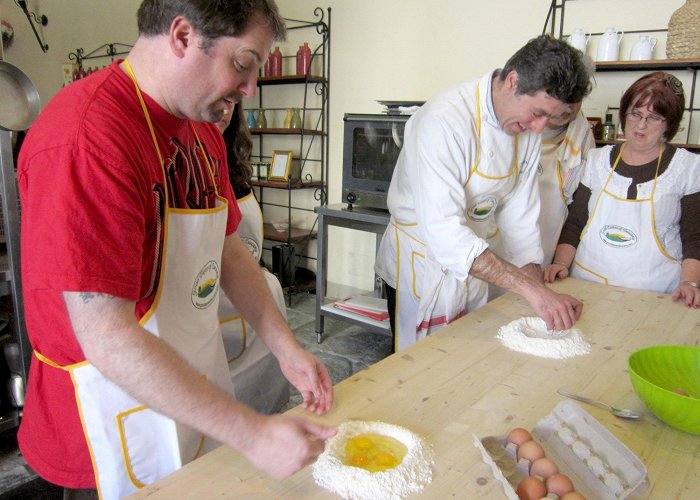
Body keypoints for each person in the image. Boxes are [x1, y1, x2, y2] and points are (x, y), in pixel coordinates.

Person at [17, 1, 335, 499]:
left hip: (188, 396)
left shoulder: (202, 130)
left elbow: (228, 253)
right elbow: (106, 337)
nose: (251, 88)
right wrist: (251, 433)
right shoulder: (87, 139)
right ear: (183, 37)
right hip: (105, 428)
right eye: (244, 63)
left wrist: (284, 346)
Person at [374, 35, 591, 352]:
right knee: (420, 365)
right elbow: (444, 232)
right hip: (422, 258)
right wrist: (530, 291)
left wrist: (538, 289)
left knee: (466, 358)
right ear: (513, 82)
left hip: (475, 259)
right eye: (538, 113)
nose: (539, 128)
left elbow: (521, 215)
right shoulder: (443, 121)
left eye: (551, 118)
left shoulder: (526, 127)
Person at [544, 72, 700, 307]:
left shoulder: (688, 167)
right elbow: (576, 222)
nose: (641, 124)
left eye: (654, 117)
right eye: (635, 113)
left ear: (670, 124)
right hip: (587, 286)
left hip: (655, 294)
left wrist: (690, 284)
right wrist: (560, 264)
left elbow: (694, 238)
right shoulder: (597, 160)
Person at [215, 103, 290, 414]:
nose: (224, 109)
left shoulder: (233, 164)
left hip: (256, 297)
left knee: (263, 398)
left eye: (231, 101)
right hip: (215, 308)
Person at [538, 101, 596, 264]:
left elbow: (579, 213)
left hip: (548, 244)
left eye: (575, 98)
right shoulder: (512, 125)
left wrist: (561, 262)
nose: (567, 105)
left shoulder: (581, 134)